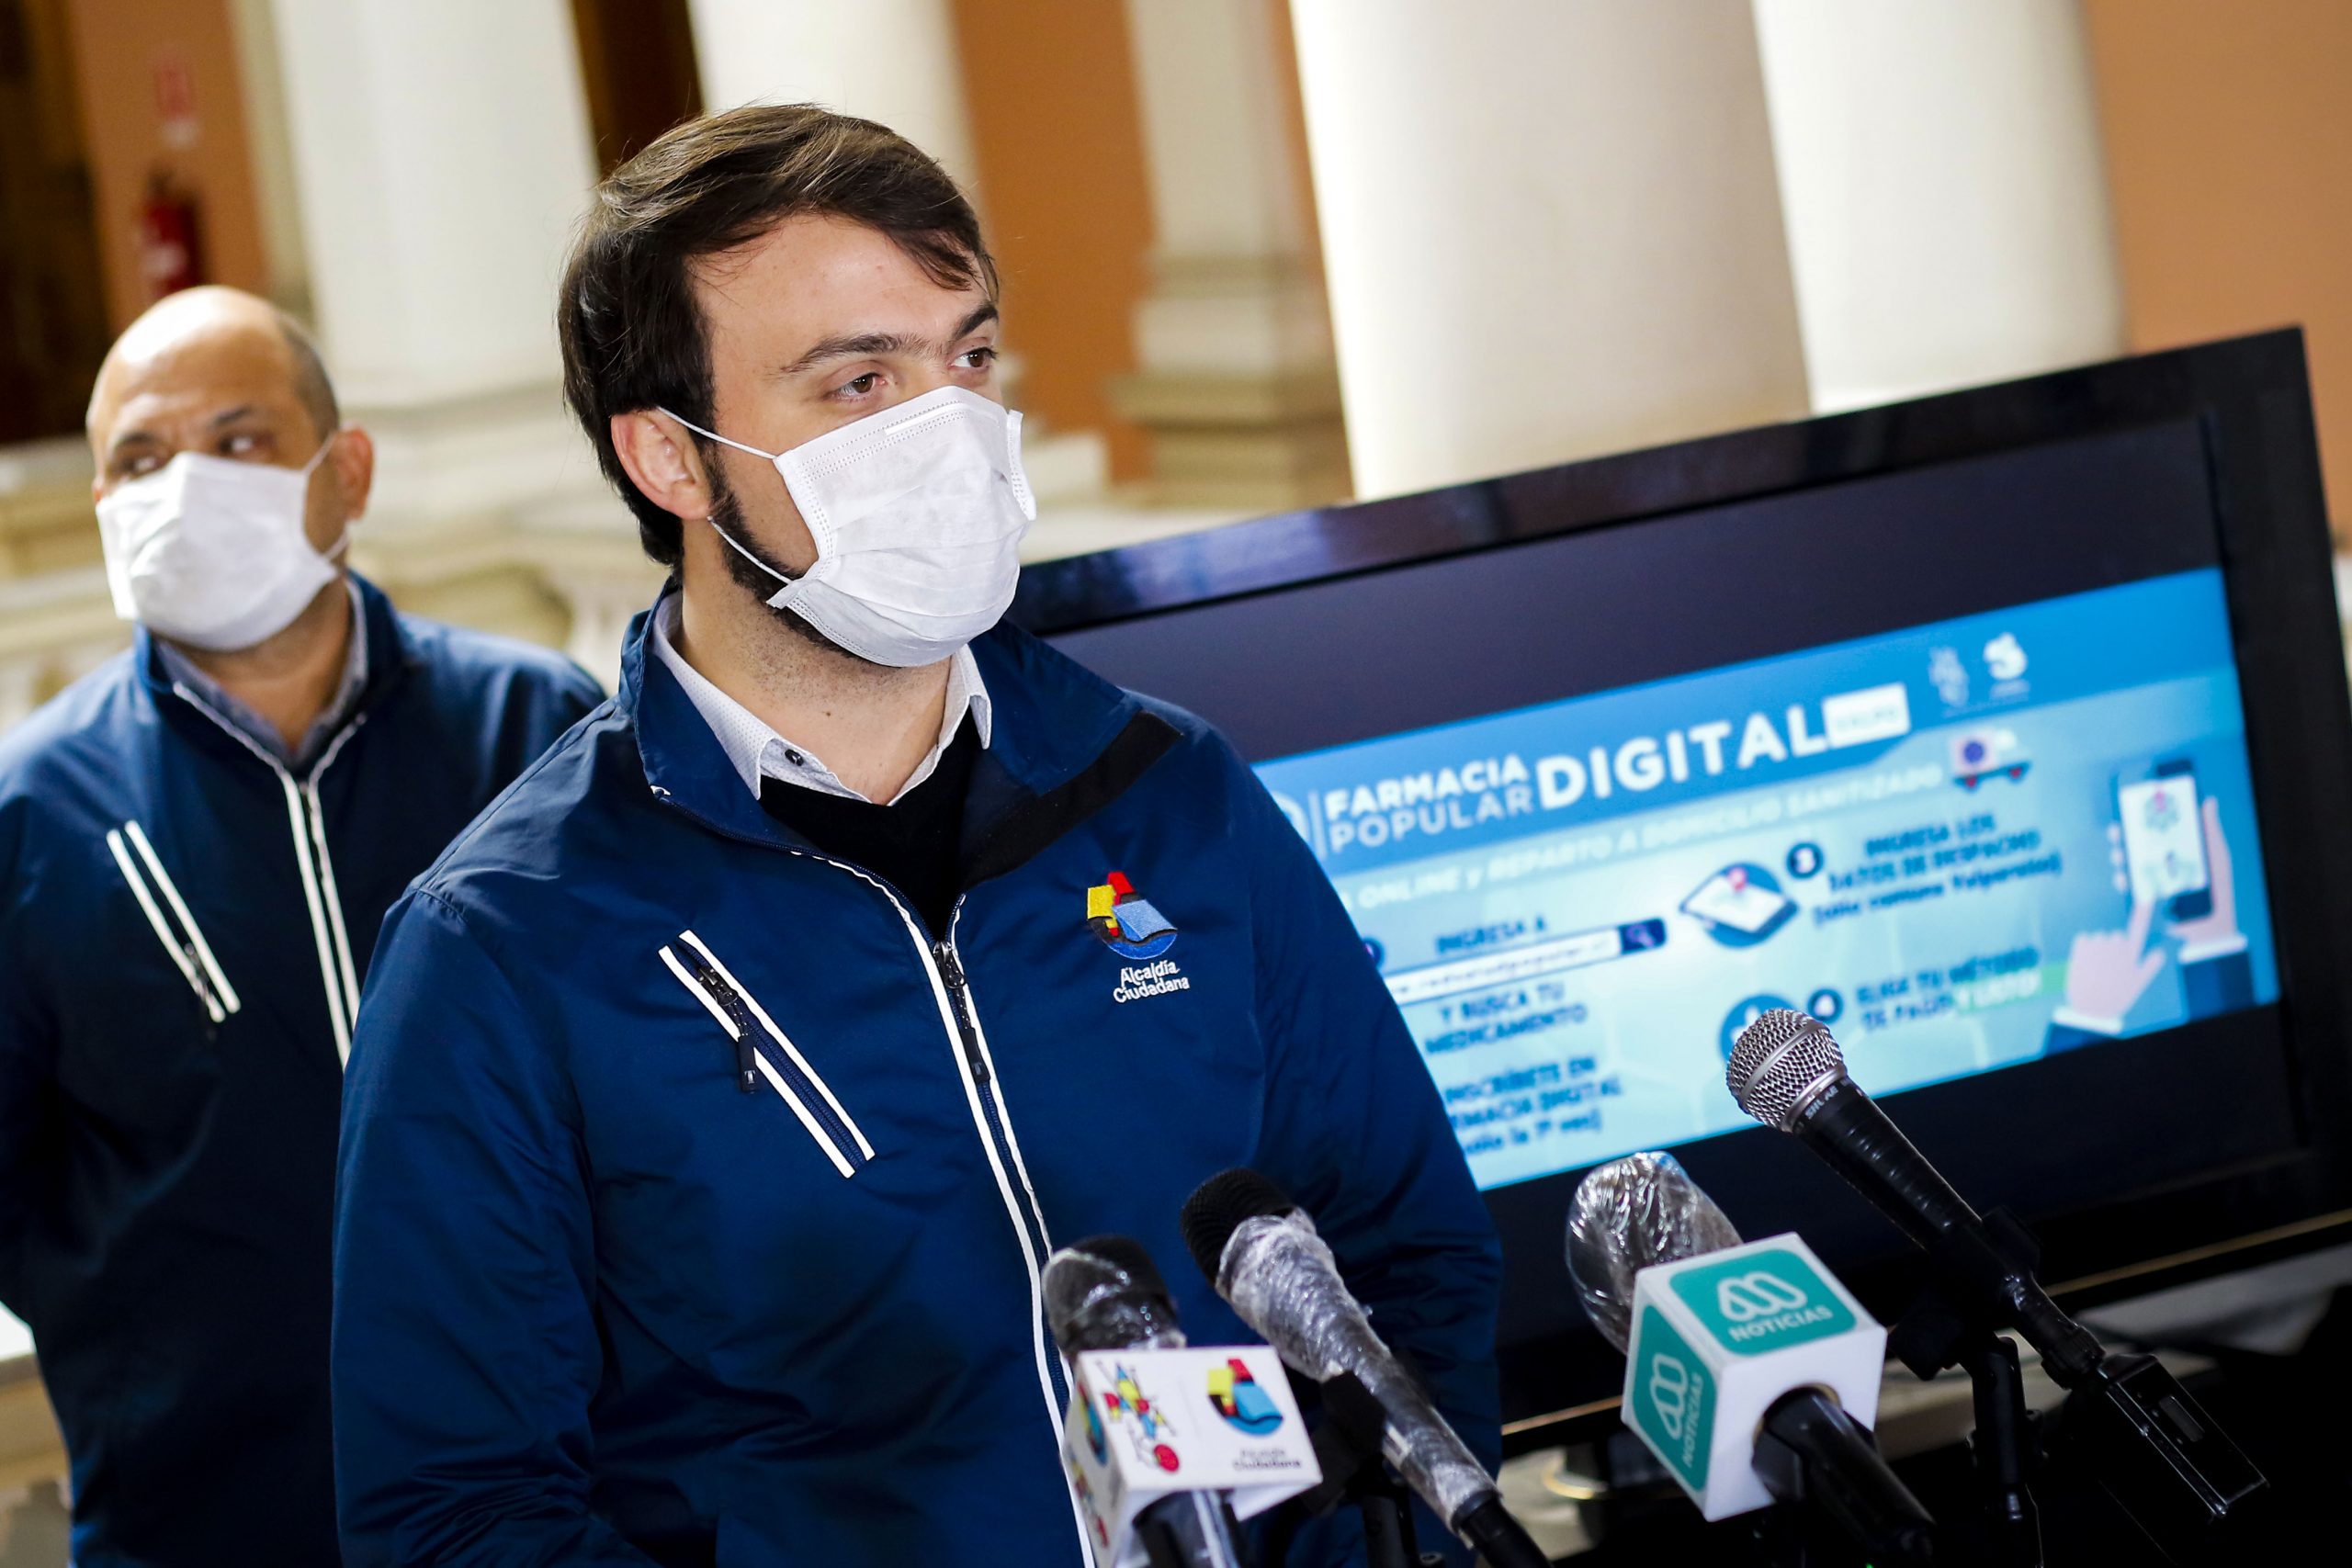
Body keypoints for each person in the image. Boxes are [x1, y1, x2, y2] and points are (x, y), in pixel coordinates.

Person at [332, 105, 1501, 1566]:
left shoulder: (1168, 793)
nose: (948, 430)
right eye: (859, 381)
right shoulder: (503, 946)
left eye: (968, 357)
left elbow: (1408, 1258)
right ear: (671, 462)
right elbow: (458, 1514)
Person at [0, 286, 605, 1564]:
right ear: (105, 508)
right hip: (205, 1508)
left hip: (560, 1483)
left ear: (348, 472)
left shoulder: (536, 732)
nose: (185, 487)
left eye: (238, 441)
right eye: (141, 460)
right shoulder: (33, 810)